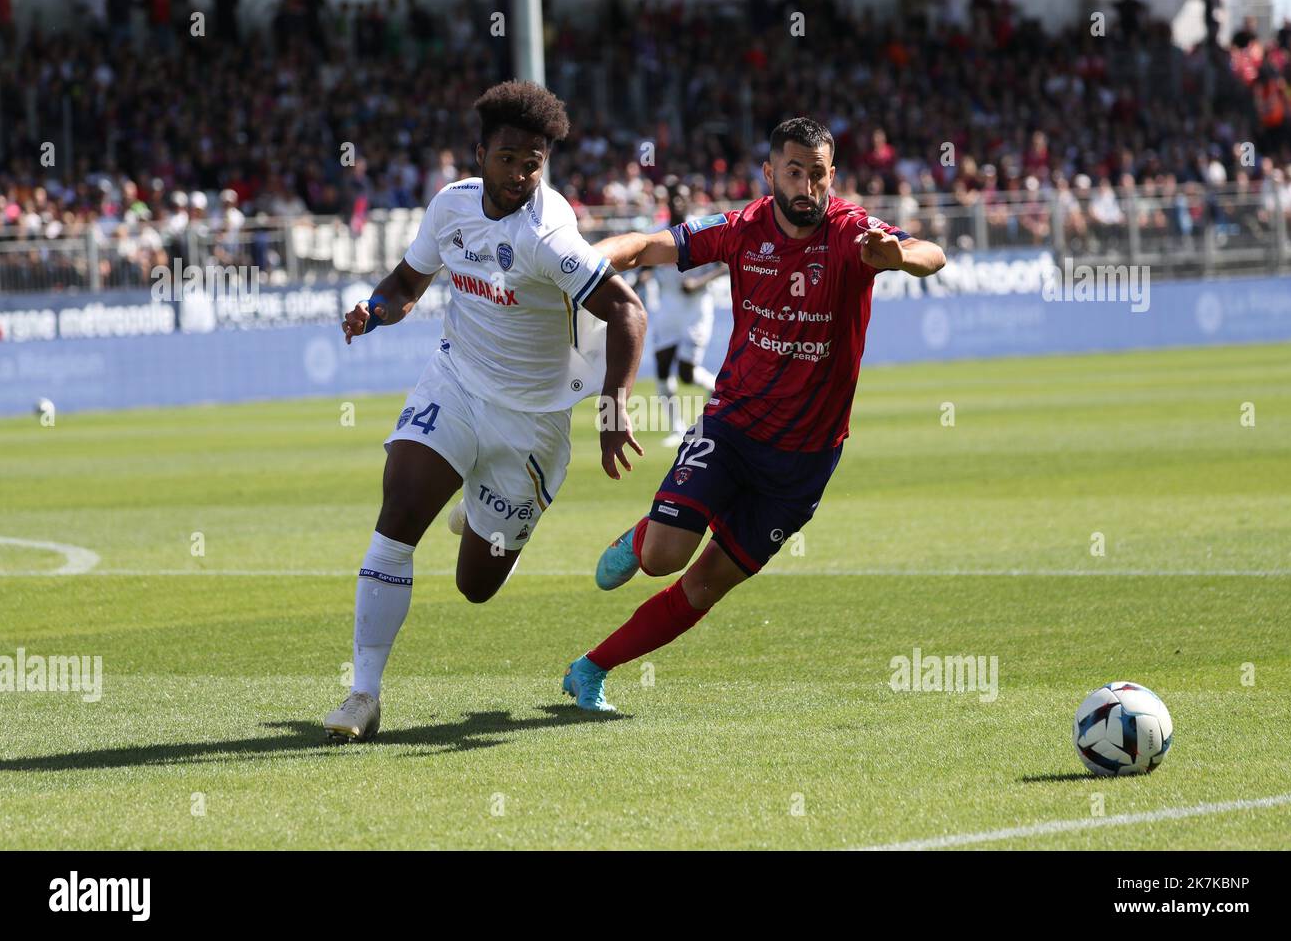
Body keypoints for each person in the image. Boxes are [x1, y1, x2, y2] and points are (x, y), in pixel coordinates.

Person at [561, 117, 945, 711]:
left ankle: (590, 670)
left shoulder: (851, 232)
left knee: (704, 586)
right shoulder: (742, 229)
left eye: (818, 174)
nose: (807, 185)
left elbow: (932, 253)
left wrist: (898, 257)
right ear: (770, 174)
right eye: (794, 171)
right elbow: (646, 246)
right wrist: (584, 261)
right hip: (734, 427)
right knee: (664, 558)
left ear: (831, 177)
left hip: (804, 466)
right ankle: (643, 536)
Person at [323, 82, 647, 740]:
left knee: (476, 585)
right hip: (456, 385)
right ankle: (362, 695)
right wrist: (376, 310)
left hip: (531, 424)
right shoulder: (450, 209)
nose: (520, 174)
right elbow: (409, 283)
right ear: (480, 154)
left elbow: (626, 310)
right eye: (508, 158)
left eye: (532, 161)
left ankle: (477, 512)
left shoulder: (548, 236)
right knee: (399, 510)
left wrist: (613, 404)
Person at [639, 182, 724, 444]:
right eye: (673, 198)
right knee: (663, 366)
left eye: (682, 198)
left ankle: (718, 391)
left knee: (687, 372)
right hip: (667, 306)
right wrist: (641, 276)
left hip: (696, 307)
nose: (677, 203)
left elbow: (723, 265)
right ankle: (677, 428)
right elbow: (646, 267)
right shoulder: (657, 234)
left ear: (690, 201)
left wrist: (698, 282)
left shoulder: (701, 230)